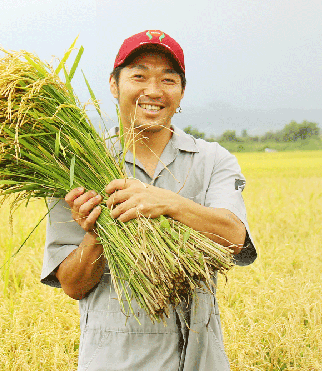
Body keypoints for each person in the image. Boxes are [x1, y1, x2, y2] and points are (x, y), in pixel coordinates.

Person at [40, 30, 257, 370]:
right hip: (115, 360)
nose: (153, 91)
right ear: (114, 85)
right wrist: (98, 233)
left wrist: (169, 203)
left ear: (182, 92)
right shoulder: (75, 167)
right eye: (139, 76)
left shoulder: (213, 160)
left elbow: (234, 239)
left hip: (199, 359)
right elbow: (72, 285)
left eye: (168, 80)